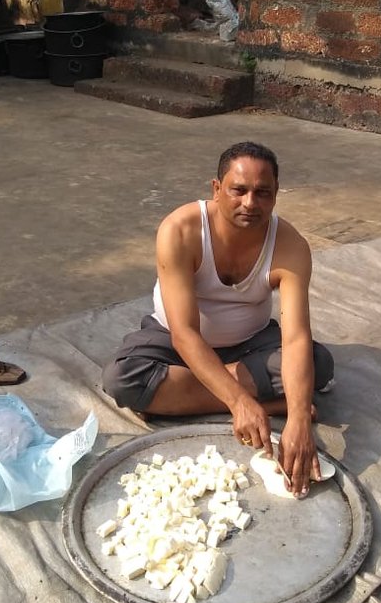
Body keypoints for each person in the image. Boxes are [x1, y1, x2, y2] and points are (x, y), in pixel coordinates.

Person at [102, 141, 334, 498]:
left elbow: (296, 338)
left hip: (251, 341)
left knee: (317, 363)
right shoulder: (180, 230)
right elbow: (184, 334)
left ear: (275, 196)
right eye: (238, 190)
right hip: (176, 343)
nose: (250, 204)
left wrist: (299, 421)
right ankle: (265, 403)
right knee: (122, 379)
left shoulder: (290, 246)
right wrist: (239, 400)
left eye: (263, 193)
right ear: (216, 189)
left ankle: (176, 400)